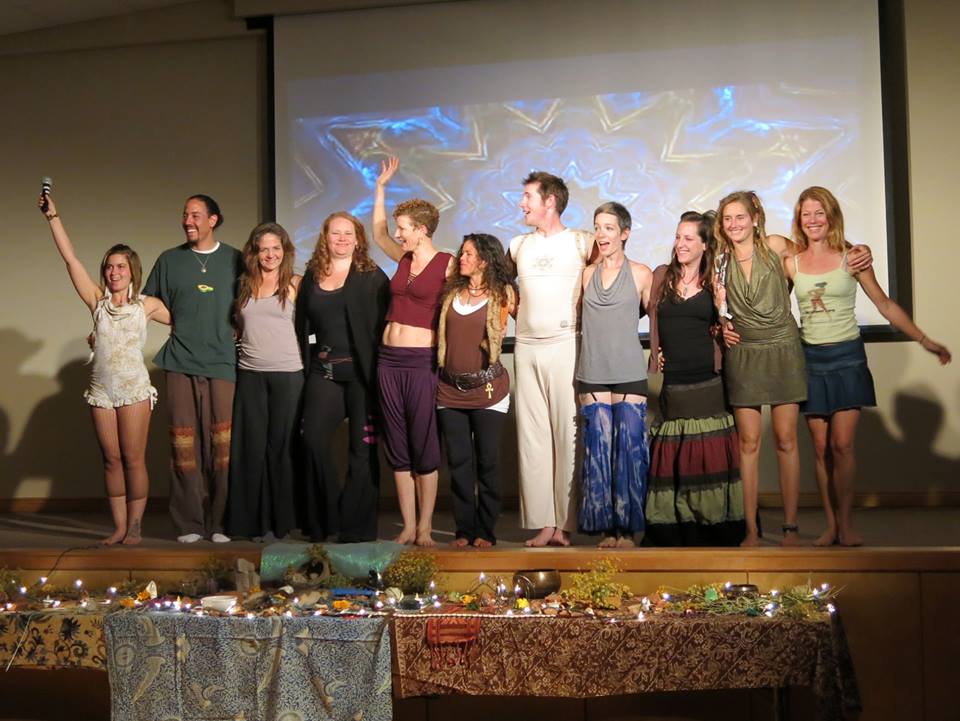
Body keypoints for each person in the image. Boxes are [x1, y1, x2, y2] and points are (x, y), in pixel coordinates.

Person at [785, 186, 951, 546]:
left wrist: (923, 339)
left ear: (831, 216)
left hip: (847, 358)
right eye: (806, 213)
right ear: (799, 219)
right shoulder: (791, 263)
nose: (812, 220)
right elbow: (772, 310)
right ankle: (831, 525)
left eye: (819, 212)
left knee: (842, 445)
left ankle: (847, 523)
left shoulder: (853, 258)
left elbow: (884, 304)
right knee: (820, 449)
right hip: (810, 361)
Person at [716, 190, 872, 547]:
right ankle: (751, 530)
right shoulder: (720, 261)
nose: (734, 224)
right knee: (748, 444)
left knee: (786, 441)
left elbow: (817, 250)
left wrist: (859, 250)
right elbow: (720, 306)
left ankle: (790, 527)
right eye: (727, 219)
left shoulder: (775, 246)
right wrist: (721, 326)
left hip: (784, 350)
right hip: (744, 354)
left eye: (740, 217)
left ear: (755, 218)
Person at [39, 193, 169, 545]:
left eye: (121, 266)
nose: (114, 272)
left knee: (133, 458)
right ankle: (119, 527)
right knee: (111, 460)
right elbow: (70, 260)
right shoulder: (97, 302)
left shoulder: (147, 305)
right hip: (102, 392)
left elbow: (188, 321)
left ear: (132, 270)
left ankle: (136, 527)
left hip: (133, 390)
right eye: (110, 267)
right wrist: (53, 217)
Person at [143, 195, 242, 543]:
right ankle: (189, 523)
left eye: (196, 215)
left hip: (223, 363)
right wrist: (181, 321)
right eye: (185, 214)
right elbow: (148, 302)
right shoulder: (169, 260)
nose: (188, 221)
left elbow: (254, 299)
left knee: (223, 446)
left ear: (213, 220)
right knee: (184, 444)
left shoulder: (236, 259)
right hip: (180, 362)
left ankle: (221, 522)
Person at [644, 211, 745, 546]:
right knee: (676, 454)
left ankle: (712, 524)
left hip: (708, 382)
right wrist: (655, 350)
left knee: (708, 454)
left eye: (688, 238)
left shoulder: (716, 280)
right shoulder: (661, 276)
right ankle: (677, 524)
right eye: (678, 237)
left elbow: (728, 322)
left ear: (704, 244)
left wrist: (722, 317)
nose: (680, 244)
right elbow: (648, 317)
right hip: (674, 383)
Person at [508, 171, 595, 547]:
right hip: (526, 346)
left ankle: (565, 522)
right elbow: (500, 285)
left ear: (550, 201)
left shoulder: (581, 241)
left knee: (567, 433)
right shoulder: (518, 245)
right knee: (533, 437)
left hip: (566, 343)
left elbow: (608, 277)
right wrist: (517, 310)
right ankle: (543, 522)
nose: (521, 204)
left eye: (528, 197)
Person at [372, 157, 455, 546]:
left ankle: (425, 527)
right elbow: (377, 234)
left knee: (423, 442)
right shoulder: (403, 259)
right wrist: (380, 188)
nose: (398, 234)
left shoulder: (448, 264)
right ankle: (407, 526)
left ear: (421, 230)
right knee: (397, 443)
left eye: (403, 228)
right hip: (388, 361)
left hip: (421, 363)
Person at [295, 212, 390, 543]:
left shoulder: (372, 276)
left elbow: (384, 327)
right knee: (312, 441)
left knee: (361, 451)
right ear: (325, 237)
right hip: (324, 372)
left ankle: (355, 526)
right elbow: (302, 327)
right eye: (335, 233)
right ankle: (326, 520)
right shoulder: (312, 276)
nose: (342, 239)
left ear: (358, 238)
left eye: (348, 233)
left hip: (362, 376)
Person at [575, 202, 652, 548]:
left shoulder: (641, 273)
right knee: (598, 451)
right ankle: (606, 529)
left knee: (630, 452)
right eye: (597, 227)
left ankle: (628, 530)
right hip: (593, 370)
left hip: (629, 370)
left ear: (624, 233)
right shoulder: (586, 275)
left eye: (608, 227)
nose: (601, 234)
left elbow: (658, 319)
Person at [436, 233, 517, 548]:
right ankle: (463, 530)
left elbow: (528, 319)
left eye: (468, 254)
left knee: (487, 462)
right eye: (462, 253)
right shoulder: (451, 292)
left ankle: (485, 530)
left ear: (484, 260)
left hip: (488, 391)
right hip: (449, 390)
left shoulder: (502, 294)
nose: (462, 258)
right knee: (458, 464)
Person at [225, 223, 303, 541]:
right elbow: (237, 325)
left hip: (289, 374)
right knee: (251, 449)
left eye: (276, 248)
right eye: (264, 249)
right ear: (254, 253)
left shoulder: (296, 283)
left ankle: (282, 523)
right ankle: (249, 524)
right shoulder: (243, 285)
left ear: (285, 251)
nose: (270, 255)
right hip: (250, 374)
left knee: (282, 449)